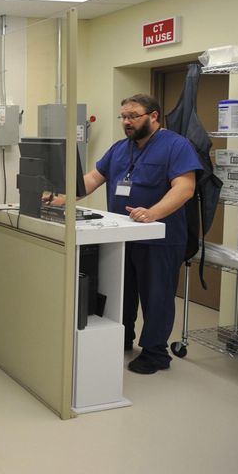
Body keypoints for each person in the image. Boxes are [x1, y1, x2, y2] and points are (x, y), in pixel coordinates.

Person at [77, 94, 202, 374]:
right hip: (122, 236)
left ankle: (156, 353)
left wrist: (153, 212)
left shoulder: (176, 146)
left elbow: (185, 188)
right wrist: (63, 197)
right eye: (123, 116)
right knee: (122, 292)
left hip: (159, 238)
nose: (126, 122)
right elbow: (93, 179)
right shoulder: (120, 148)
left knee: (156, 296)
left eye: (133, 116)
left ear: (154, 116)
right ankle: (123, 337)